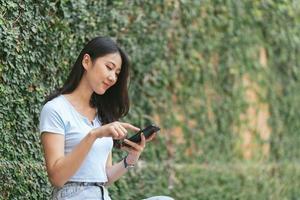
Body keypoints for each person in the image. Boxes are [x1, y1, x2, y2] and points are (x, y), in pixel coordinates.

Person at [39, 36, 157, 200]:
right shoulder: (55, 109)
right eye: (109, 67)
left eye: (116, 73)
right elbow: (57, 178)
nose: (113, 78)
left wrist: (131, 159)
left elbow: (104, 176)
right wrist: (94, 135)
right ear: (87, 61)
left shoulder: (102, 116)